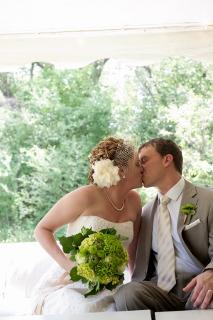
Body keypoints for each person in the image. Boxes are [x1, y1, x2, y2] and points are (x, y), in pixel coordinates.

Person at [31, 136, 143, 314]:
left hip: (110, 284)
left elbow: (133, 250)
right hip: (70, 282)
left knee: (121, 311)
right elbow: (41, 230)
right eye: (138, 164)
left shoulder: (135, 201)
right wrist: (70, 266)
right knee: (82, 310)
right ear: (122, 171)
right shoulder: (85, 196)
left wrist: (135, 281)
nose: (142, 168)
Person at [114, 138, 213, 312]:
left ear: (167, 159)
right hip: (159, 291)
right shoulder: (144, 212)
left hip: (200, 284)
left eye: (144, 160)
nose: (139, 167)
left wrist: (211, 273)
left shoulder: (208, 199)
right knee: (127, 294)